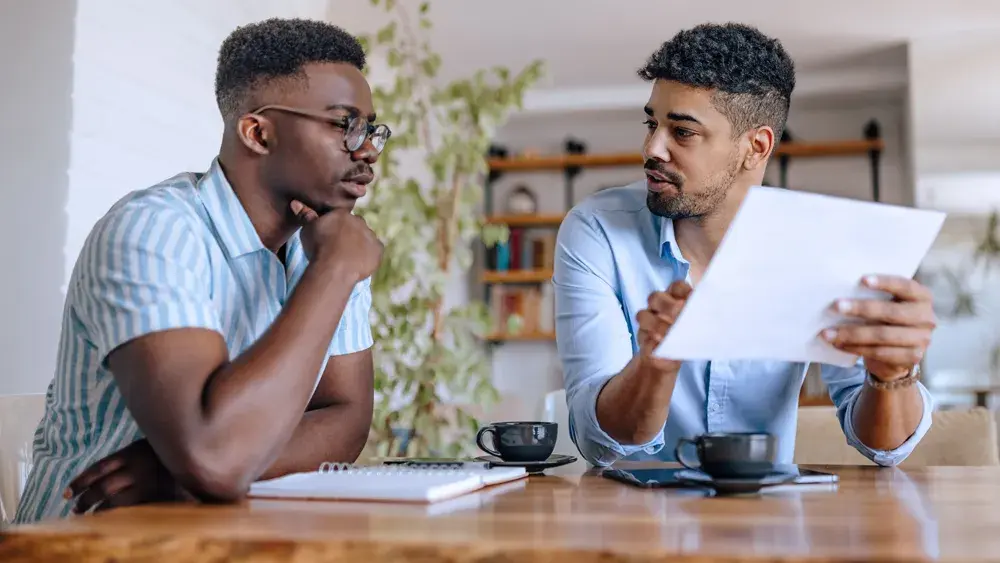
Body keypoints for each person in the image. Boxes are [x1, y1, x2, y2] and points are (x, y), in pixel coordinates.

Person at [15, 18, 389, 523]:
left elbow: (346, 421)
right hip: (85, 545)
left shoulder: (325, 242)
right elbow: (217, 459)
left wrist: (175, 474)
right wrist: (336, 272)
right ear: (258, 133)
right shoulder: (152, 232)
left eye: (371, 129)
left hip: (218, 537)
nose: (366, 150)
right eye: (345, 125)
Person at [554, 23, 935, 469]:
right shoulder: (595, 231)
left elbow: (883, 447)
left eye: (683, 132)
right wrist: (654, 367)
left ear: (756, 147)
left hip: (771, 522)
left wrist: (892, 375)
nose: (651, 147)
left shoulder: (824, 246)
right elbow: (600, 443)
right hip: (633, 523)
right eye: (651, 123)